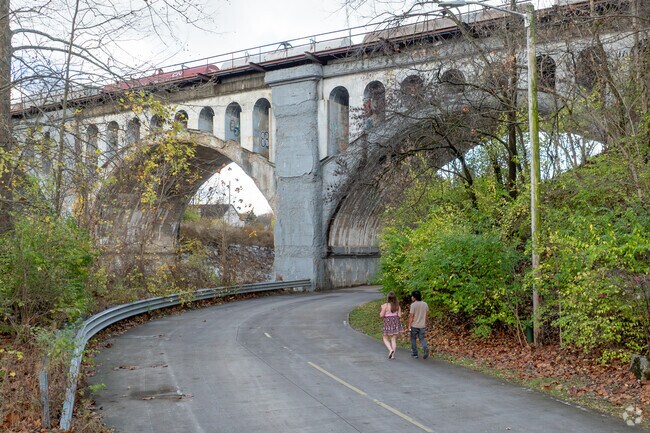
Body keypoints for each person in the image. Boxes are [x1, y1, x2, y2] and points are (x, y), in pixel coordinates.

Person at [380, 292, 403, 359]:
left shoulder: (385, 305)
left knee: (385, 337)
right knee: (393, 339)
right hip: (395, 321)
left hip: (387, 321)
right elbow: (399, 315)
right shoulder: (397, 306)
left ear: (388, 298)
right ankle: (392, 356)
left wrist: (385, 314)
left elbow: (381, 315)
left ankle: (390, 350)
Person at [408, 290, 430, 359]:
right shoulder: (425, 304)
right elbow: (426, 315)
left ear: (414, 297)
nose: (411, 297)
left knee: (413, 338)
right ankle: (425, 347)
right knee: (421, 338)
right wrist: (426, 322)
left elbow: (411, 316)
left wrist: (409, 325)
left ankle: (415, 353)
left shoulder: (413, 305)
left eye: (412, 296)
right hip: (422, 325)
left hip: (414, 325)